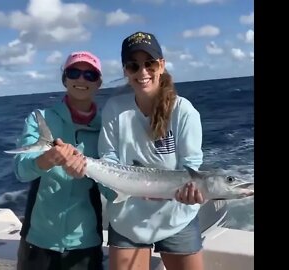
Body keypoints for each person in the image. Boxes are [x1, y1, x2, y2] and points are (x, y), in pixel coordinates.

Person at [98, 31, 207, 270]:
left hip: (176, 217)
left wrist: (190, 194)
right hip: (128, 218)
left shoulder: (184, 111)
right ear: (125, 70)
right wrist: (114, 186)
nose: (143, 72)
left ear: (162, 65)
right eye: (133, 66)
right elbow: (108, 158)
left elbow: (190, 165)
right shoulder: (114, 108)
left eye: (149, 63)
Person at [13, 51, 105, 270]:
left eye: (89, 75)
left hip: (85, 242)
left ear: (99, 83)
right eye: (74, 72)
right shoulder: (40, 118)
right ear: (65, 79)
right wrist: (46, 159)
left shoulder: (106, 127)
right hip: (38, 241)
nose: (81, 79)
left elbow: (111, 191)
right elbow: (21, 171)